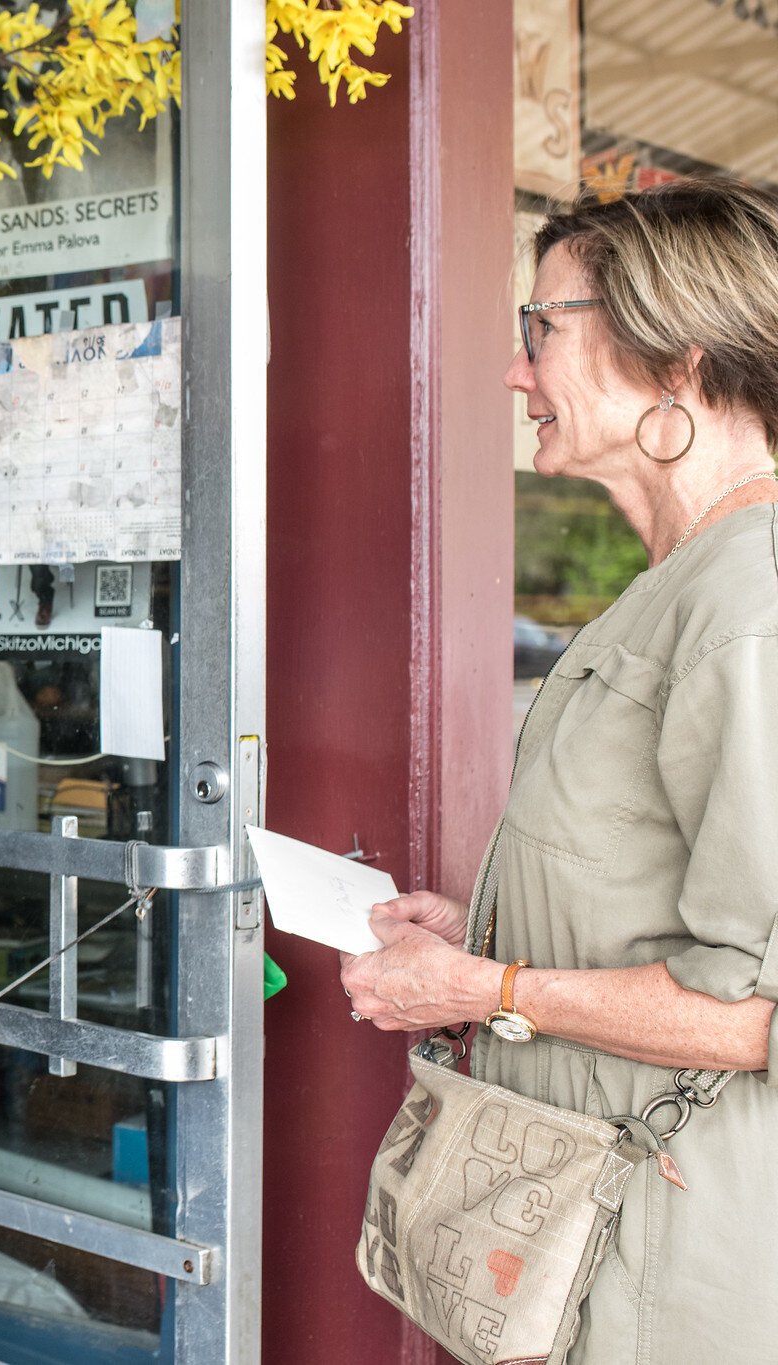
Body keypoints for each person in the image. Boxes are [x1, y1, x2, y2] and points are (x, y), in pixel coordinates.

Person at [341, 178, 778, 1362]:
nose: (512, 371)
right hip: (603, 1244)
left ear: (675, 359)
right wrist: (488, 934)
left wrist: (486, 987)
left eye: (539, 329)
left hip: (676, 1276)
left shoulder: (747, 599)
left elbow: (752, 1012)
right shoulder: (682, 582)